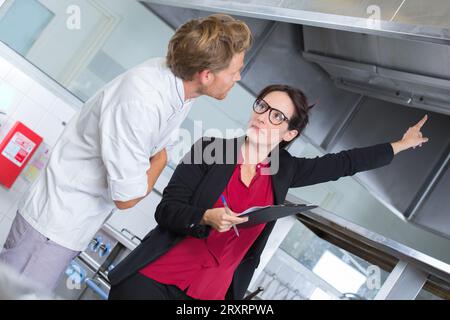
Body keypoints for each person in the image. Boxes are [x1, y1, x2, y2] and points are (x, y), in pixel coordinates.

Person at [0, 14, 252, 291]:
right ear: (206, 75)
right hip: (52, 226)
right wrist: (161, 160)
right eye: (235, 71)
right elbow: (127, 197)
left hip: (72, 224)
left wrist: (156, 157)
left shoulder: (182, 92)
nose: (238, 77)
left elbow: (152, 153)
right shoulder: (141, 100)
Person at [107, 84, 429, 300]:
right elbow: (166, 210)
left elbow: (343, 163)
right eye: (262, 106)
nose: (262, 116)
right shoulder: (210, 150)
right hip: (154, 280)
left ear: (290, 133)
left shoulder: (285, 171)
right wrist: (204, 216)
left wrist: (401, 145)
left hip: (210, 295)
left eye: (276, 115)